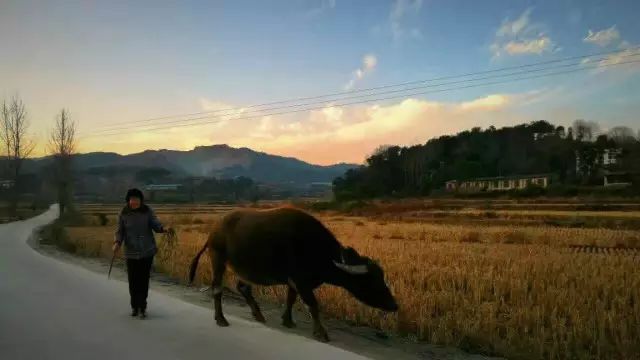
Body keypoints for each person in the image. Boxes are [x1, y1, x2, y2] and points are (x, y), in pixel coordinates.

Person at [112, 188, 171, 318]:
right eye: (132, 199)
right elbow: (120, 230)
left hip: (147, 251)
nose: (134, 202)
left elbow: (155, 223)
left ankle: (142, 307)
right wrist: (117, 242)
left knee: (144, 280)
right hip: (131, 252)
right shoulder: (124, 213)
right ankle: (134, 306)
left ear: (141, 200)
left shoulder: (147, 211)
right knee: (133, 281)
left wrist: (162, 228)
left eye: (137, 199)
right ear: (128, 200)